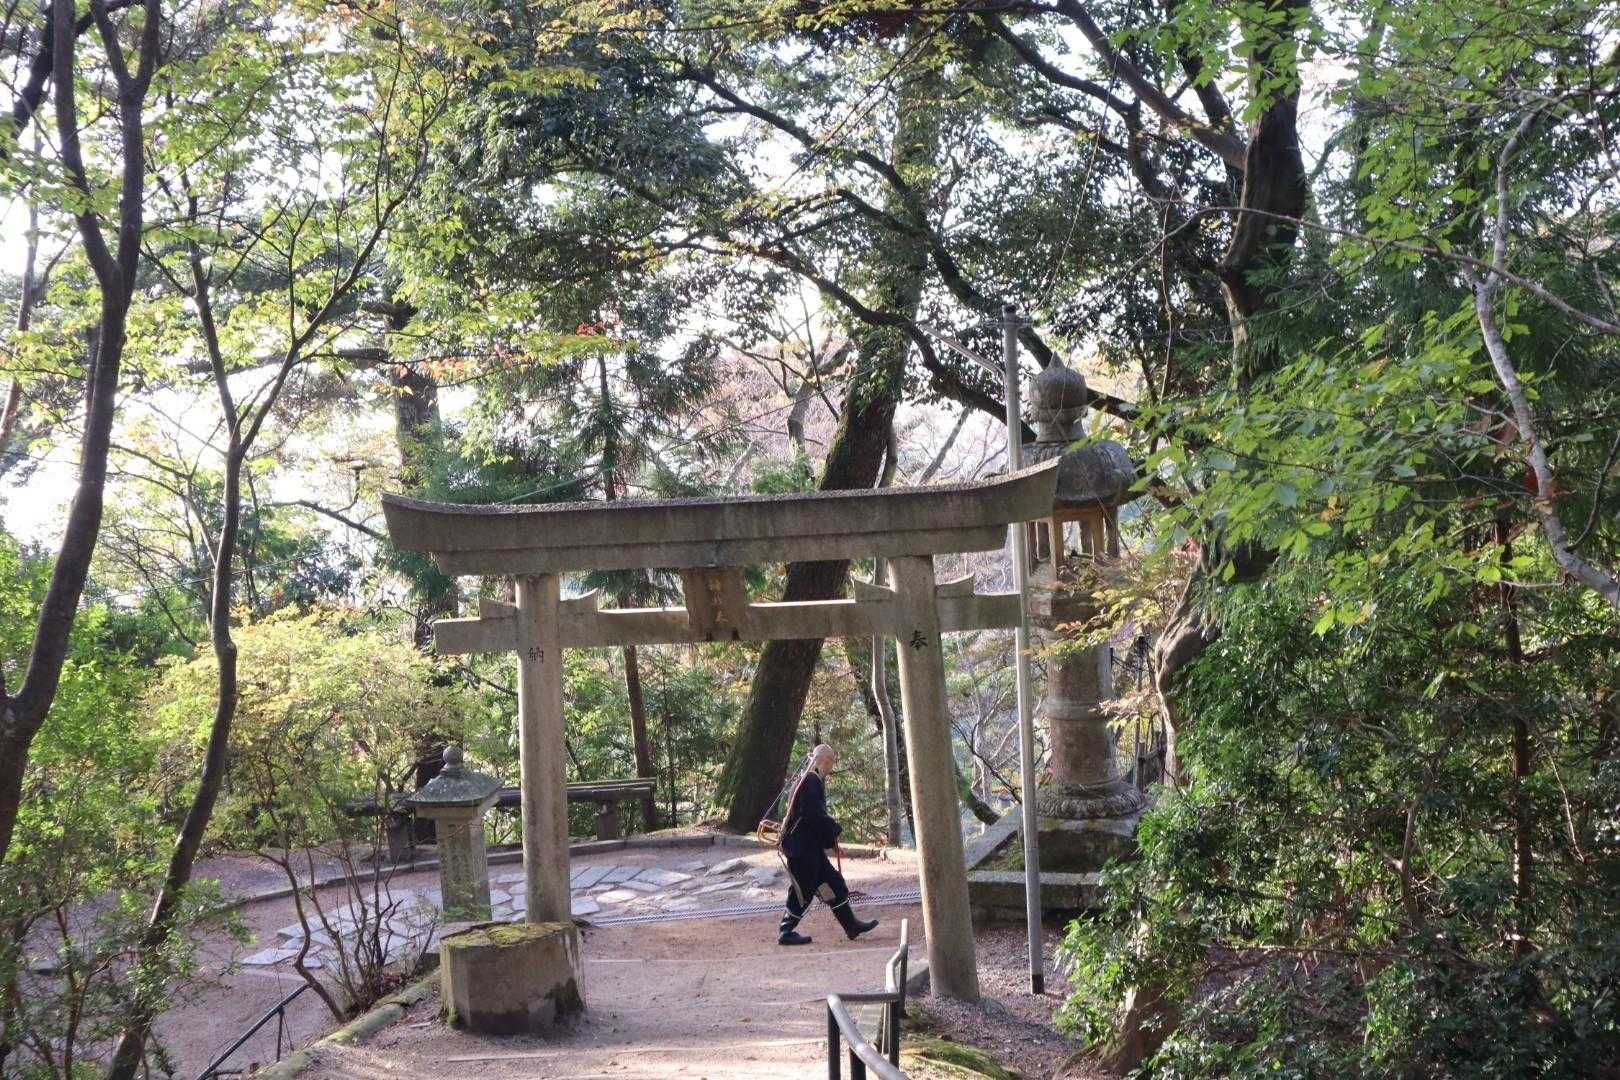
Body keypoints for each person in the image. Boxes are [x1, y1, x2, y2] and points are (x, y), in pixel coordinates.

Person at [776, 743, 879, 946]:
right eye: (831, 762)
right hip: (802, 850)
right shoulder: (811, 781)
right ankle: (785, 931)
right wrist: (833, 833)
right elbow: (815, 817)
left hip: (809, 848)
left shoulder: (805, 780)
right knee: (803, 891)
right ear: (825, 760)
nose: (831, 767)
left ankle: (851, 926)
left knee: (834, 884)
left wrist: (831, 841)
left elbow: (811, 817)